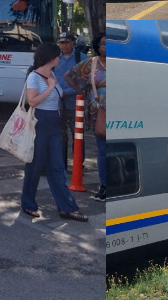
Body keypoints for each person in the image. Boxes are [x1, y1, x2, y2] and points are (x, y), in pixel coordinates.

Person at [21, 43, 87, 222]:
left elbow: (59, 97)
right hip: (40, 122)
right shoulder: (34, 77)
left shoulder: (53, 75)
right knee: (34, 166)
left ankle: (67, 207)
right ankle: (28, 203)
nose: (60, 58)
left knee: (57, 167)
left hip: (55, 123)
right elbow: (32, 101)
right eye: (58, 56)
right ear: (50, 57)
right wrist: (50, 87)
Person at [67, 33, 106, 202]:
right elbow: (69, 76)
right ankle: (105, 185)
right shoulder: (92, 63)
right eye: (104, 43)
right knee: (103, 150)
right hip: (101, 113)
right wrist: (83, 91)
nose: (107, 46)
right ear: (98, 46)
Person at [53, 32, 87, 168]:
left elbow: (85, 83)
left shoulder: (82, 58)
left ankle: (79, 164)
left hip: (75, 103)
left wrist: (66, 92)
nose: (64, 45)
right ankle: (61, 164)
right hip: (58, 103)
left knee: (77, 135)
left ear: (73, 43)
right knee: (60, 135)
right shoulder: (54, 59)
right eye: (61, 43)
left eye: (67, 42)